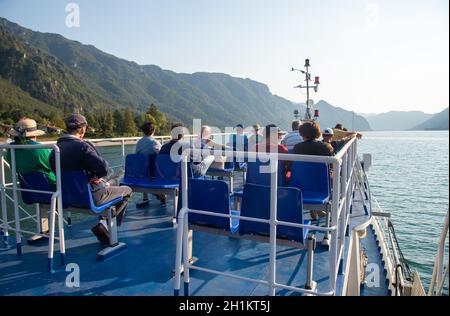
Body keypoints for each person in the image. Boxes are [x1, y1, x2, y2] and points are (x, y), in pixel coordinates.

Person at [50, 114, 133, 245]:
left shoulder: (54, 150)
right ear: (82, 129)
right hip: (91, 197)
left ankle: (107, 186)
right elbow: (103, 169)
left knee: (109, 178)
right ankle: (105, 225)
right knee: (127, 190)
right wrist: (94, 177)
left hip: (67, 196)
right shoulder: (83, 146)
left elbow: (57, 172)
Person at [6, 118, 56, 242]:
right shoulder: (43, 150)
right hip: (54, 191)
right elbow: (55, 167)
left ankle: (44, 230)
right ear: (34, 134)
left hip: (31, 192)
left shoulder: (10, 151)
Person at [135, 121, 163, 207]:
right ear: (153, 130)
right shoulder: (155, 142)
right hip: (154, 172)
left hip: (142, 171)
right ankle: (161, 195)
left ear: (143, 131)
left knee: (144, 165)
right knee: (160, 166)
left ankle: (145, 198)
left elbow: (137, 156)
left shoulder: (139, 143)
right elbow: (162, 155)